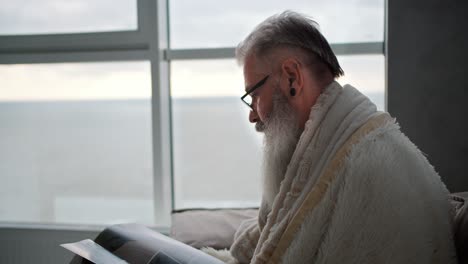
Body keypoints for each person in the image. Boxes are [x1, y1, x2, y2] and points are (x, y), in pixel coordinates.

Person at [204, 11, 457, 264]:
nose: (252, 115)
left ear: (292, 76)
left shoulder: (370, 164)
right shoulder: (311, 149)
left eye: (254, 95)